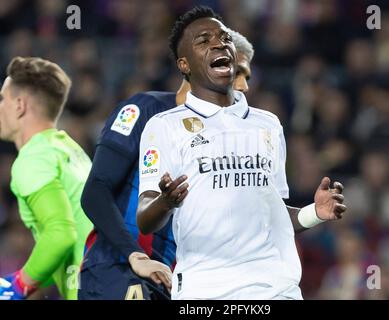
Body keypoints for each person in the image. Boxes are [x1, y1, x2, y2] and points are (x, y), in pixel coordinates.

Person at [137, 6, 346, 300]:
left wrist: (315, 213)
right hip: (205, 292)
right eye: (203, 40)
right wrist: (166, 201)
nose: (218, 43)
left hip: (275, 290)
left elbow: (270, 214)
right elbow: (145, 219)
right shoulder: (164, 127)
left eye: (224, 38)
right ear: (184, 64)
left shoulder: (268, 124)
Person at [78, 28, 254, 300]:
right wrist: (134, 254)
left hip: (177, 284)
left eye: (245, 76)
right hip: (122, 270)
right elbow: (95, 191)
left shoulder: (229, 142)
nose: (243, 86)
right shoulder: (145, 109)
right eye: (235, 71)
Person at [0, 57, 93, 300]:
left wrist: (19, 284)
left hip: (90, 290)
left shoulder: (33, 158)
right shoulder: (69, 149)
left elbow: (61, 233)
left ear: (19, 105)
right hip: (109, 282)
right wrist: (33, 282)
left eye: (3, 99)